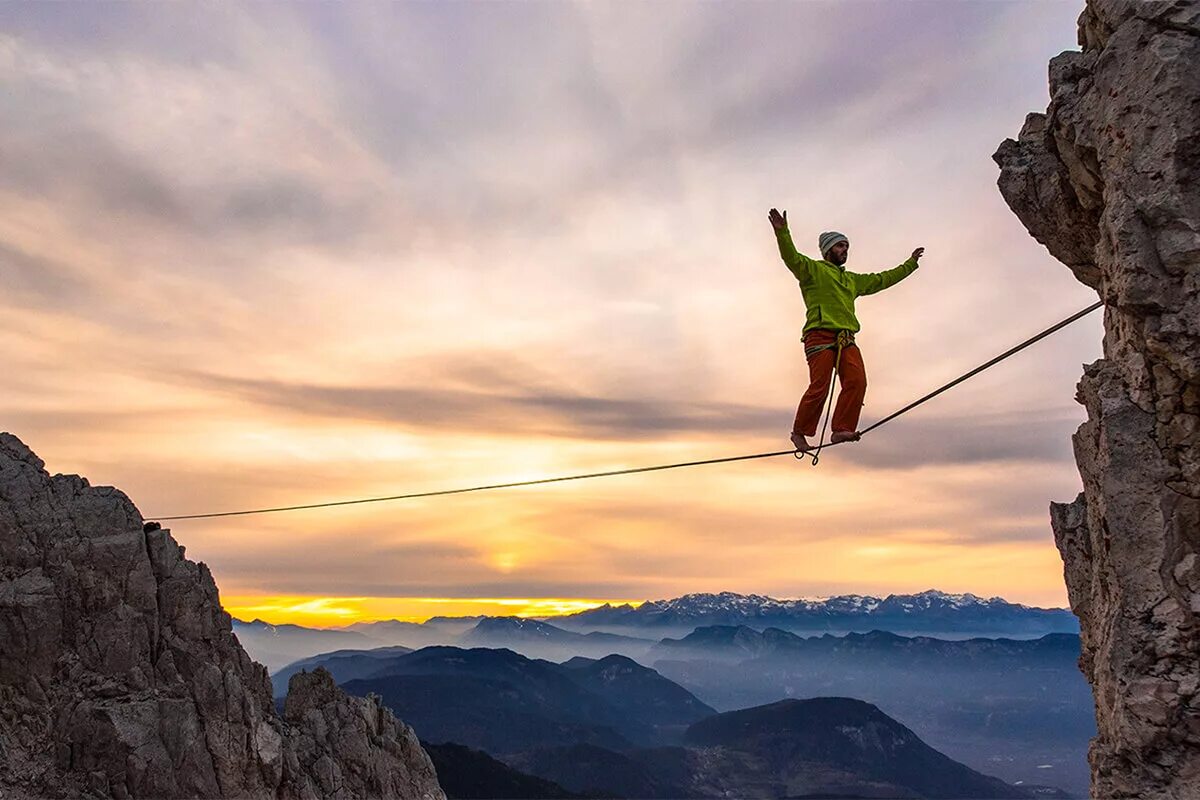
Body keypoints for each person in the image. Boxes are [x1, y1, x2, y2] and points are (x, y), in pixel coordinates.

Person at [768, 208, 923, 453]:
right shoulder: (813, 270)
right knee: (819, 387)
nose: (845, 251)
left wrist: (910, 264)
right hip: (819, 336)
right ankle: (799, 432)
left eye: (846, 247)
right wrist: (782, 233)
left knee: (857, 381)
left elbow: (882, 279)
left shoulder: (851, 280)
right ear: (828, 250)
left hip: (846, 338)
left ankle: (841, 428)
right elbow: (792, 258)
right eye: (840, 246)